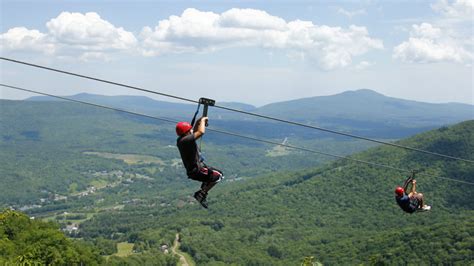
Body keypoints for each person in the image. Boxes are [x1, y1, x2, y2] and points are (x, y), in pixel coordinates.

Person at [176, 117, 223, 208]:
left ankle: (204, 188)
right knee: (218, 176)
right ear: (186, 132)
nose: (191, 130)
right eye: (189, 130)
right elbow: (200, 132)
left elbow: (195, 131)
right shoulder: (186, 140)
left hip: (194, 170)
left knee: (216, 174)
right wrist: (202, 121)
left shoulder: (182, 139)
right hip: (197, 170)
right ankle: (201, 194)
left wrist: (199, 121)